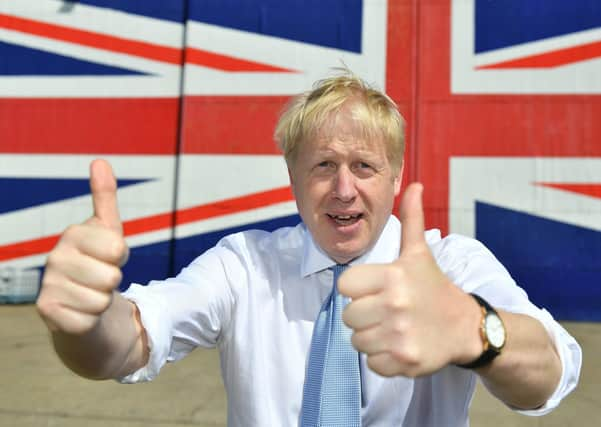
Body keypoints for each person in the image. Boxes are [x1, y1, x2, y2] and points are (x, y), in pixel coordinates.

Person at [37, 71, 581, 427]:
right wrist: (87, 319)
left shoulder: (452, 266)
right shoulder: (243, 266)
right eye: (323, 165)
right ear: (292, 177)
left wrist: (474, 328)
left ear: (397, 176)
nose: (344, 189)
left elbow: (550, 376)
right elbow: (127, 344)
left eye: (364, 166)